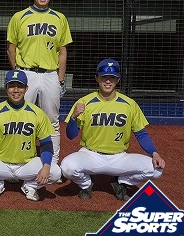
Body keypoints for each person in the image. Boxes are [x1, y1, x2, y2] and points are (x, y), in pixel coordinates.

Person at [61, 59, 166, 201]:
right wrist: (74, 117)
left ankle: (121, 181)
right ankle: (86, 184)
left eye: (112, 78)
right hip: (90, 155)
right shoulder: (84, 102)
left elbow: (141, 134)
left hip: (119, 157)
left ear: (118, 80)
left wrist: (155, 153)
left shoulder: (129, 104)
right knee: (67, 167)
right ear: (97, 78)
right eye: (104, 77)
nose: (108, 81)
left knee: (157, 170)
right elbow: (71, 135)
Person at [6, 0, 72, 171]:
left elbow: (62, 51)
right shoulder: (19, 17)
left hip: (50, 74)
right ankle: (17, 161)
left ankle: (52, 164)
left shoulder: (59, 18)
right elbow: (11, 48)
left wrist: (61, 79)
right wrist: (17, 72)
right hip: (26, 73)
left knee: (52, 120)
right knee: (19, 117)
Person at [0, 69, 61, 201]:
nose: (16, 90)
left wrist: (46, 166)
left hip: (27, 164)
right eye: (12, 86)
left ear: (26, 89)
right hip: (1, 163)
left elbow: (46, 143)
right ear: (6, 89)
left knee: (55, 172)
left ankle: (30, 186)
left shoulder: (37, 113)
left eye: (20, 86)